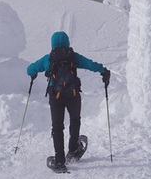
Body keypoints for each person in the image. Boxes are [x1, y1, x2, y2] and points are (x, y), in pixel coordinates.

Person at [26, 31, 110, 169]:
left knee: (57, 126)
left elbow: (30, 70)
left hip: (55, 96)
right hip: (73, 95)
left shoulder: (48, 59)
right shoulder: (73, 57)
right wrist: (103, 71)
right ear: (67, 42)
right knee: (75, 120)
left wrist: (33, 73)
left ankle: (59, 161)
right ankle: (73, 149)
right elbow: (90, 64)